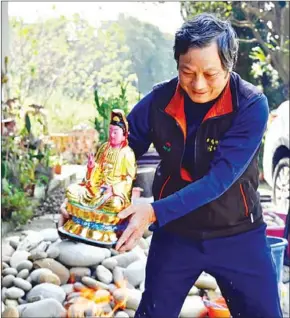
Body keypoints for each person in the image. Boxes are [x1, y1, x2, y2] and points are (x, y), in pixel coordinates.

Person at [60, 13, 283, 318]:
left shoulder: (250, 105)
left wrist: (152, 211)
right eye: (187, 72)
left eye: (210, 74)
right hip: (177, 234)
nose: (198, 84)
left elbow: (219, 180)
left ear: (229, 65)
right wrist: (89, 198)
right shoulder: (159, 100)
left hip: (238, 234)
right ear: (177, 63)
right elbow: (122, 149)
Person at [59, 109, 137, 245]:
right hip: (96, 190)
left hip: (112, 194)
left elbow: (128, 179)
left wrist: (113, 190)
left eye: (115, 132)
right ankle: (78, 224)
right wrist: (91, 167)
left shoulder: (127, 153)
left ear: (124, 134)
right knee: (72, 190)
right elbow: (96, 174)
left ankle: (105, 231)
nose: (112, 135)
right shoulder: (104, 148)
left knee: (115, 205)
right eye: (110, 131)